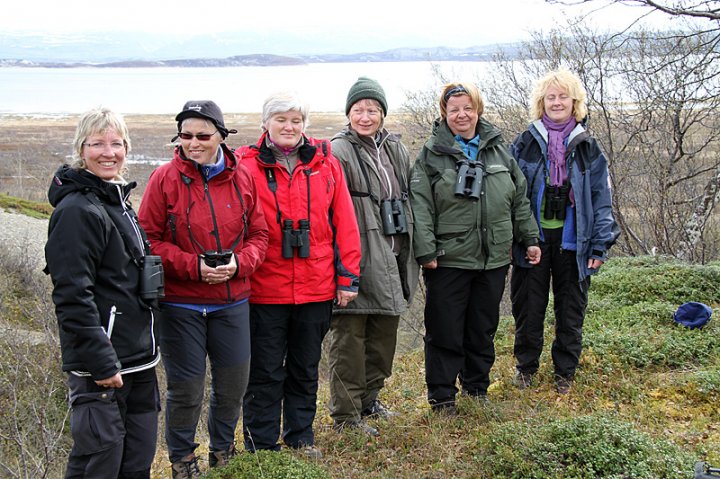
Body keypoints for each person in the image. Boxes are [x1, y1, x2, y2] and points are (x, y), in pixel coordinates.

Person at [137, 100, 268, 478]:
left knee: (232, 385)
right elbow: (149, 241)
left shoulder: (243, 177)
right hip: (181, 304)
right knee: (187, 389)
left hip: (233, 300)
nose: (193, 143)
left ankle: (222, 452)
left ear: (220, 137)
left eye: (202, 135)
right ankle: (182, 461)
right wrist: (193, 266)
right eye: (186, 136)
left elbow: (260, 234)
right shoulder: (164, 179)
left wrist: (239, 263)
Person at [236, 91, 361, 459]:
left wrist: (348, 276)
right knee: (265, 370)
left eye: (296, 120)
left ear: (304, 125)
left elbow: (345, 223)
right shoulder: (245, 165)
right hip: (263, 288)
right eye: (281, 120)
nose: (289, 127)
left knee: (305, 368)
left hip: (316, 286)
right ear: (265, 124)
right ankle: (261, 446)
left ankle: (300, 437)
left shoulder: (326, 164)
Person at [409, 82, 541, 414]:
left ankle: (476, 388)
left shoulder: (498, 151)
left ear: (478, 110)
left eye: (468, 108)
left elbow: (518, 200)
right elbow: (420, 206)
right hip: (448, 259)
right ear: (444, 114)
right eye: (454, 109)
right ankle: (442, 397)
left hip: (493, 258)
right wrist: (426, 251)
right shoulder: (430, 155)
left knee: (482, 327)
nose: (462, 115)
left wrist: (530, 239)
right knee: (445, 329)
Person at [45, 107, 162, 478]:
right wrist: (101, 361)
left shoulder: (117, 201)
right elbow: (71, 295)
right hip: (103, 367)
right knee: (99, 465)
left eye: (116, 143)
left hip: (139, 360)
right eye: (97, 143)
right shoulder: (77, 211)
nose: (108, 152)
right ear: (82, 149)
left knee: (136, 463)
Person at [509, 68, 619, 394]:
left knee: (570, 311)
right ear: (541, 102)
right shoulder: (525, 143)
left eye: (563, 96)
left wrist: (600, 245)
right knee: (528, 309)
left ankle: (564, 374)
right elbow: (512, 196)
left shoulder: (588, 146)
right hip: (534, 241)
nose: (557, 102)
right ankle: (526, 368)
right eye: (550, 97)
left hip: (575, 241)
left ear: (575, 102)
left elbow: (601, 199)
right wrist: (517, 237)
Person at [328, 77, 419, 436]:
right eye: (359, 110)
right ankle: (346, 418)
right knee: (350, 341)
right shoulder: (338, 150)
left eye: (373, 110)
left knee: (383, 339)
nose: (365, 116)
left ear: (383, 113)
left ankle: (369, 401)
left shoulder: (395, 148)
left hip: (394, 256)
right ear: (348, 113)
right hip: (357, 261)